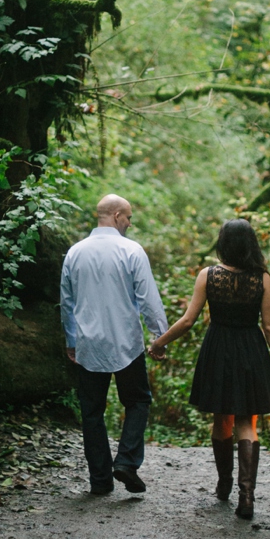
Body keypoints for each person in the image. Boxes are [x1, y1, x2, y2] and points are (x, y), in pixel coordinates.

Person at [148, 218, 270, 519]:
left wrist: (159, 343)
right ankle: (247, 496)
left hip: (219, 350)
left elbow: (188, 320)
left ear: (223, 244)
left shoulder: (208, 275)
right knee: (246, 423)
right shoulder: (262, 278)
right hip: (251, 350)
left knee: (221, 420)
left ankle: (224, 483)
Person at [60, 194, 168, 495]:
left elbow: (67, 303)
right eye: (129, 218)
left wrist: (71, 341)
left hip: (88, 344)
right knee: (137, 401)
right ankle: (127, 461)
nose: (130, 224)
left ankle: (100, 481)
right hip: (126, 344)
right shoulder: (132, 251)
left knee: (91, 412)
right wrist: (160, 338)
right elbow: (149, 299)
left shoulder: (74, 253)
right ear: (117, 215)